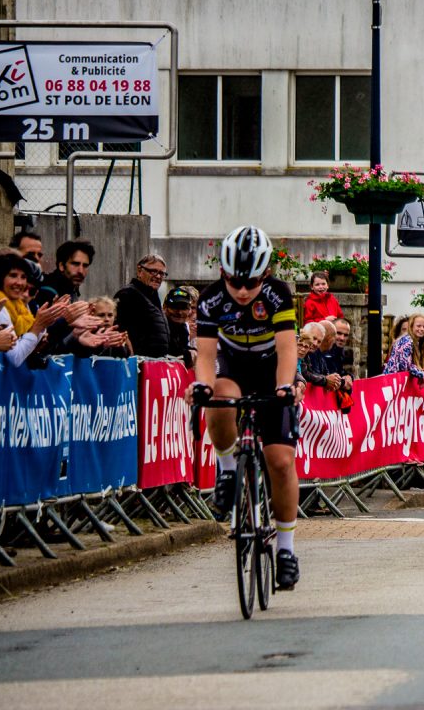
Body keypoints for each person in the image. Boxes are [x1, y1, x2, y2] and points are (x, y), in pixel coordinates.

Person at [185, 225, 304, 591]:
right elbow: (205, 357)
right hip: (233, 366)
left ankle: (285, 549)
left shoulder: (278, 294)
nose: (241, 291)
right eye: (234, 281)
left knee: (281, 462)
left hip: (271, 369)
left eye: (250, 283)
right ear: (223, 273)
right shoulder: (210, 299)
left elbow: (287, 350)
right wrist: (201, 384)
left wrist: (286, 386)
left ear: (265, 275)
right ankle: (227, 470)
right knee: (217, 393)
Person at [0, 249, 67, 367]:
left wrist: (44, 324)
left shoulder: (17, 305)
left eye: (23, 277)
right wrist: (38, 326)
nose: (20, 283)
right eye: (13, 276)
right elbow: (15, 358)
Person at [114, 253, 171, 358]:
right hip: (138, 365)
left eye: (162, 274)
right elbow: (120, 331)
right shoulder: (128, 294)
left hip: (155, 365)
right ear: (140, 271)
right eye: (153, 271)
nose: (158, 276)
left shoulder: (153, 297)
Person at [383, 313, 424, 380]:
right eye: (418, 326)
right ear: (411, 326)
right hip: (392, 379)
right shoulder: (406, 341)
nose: (421, 329)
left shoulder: (418, 342)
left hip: (399, 379)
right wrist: (420, 374)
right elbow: (404, 364)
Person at [164, 285, 196, 366]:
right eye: (175, 307)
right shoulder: (161, 325)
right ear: (165, 307)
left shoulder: (182, 327)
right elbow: (165, 352)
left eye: (183, 308)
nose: (179, 312)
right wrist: (189, 354)